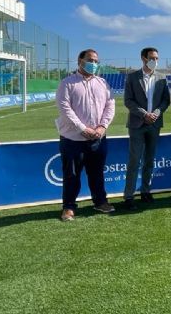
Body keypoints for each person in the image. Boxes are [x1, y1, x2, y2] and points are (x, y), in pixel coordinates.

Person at [55, 49, 115, 221]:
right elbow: (64, 108)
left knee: (97, 173)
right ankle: (68, 207)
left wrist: (103, 126)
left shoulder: (102, 83)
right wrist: (82, 128)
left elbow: (110, 106)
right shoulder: (67, 83)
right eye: (90, 60)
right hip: (73, 139)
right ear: (80, 61)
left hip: (98, 137)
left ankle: (100, 202)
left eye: (96, 60)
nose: (94, 63)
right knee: (71, 174)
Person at [122, 47, 170, 210]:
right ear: (143, 58)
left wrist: (156, 112)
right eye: (152, 58)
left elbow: (165, 101)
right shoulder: (132, 77)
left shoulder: (162, 78)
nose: (155, 61)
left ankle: (145, 191)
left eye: (157, 58)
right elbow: (128, 101)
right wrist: (144, 114)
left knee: (149, 160)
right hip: (137, 124)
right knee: (134, 161)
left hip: (154, 124)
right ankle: (129, 196)